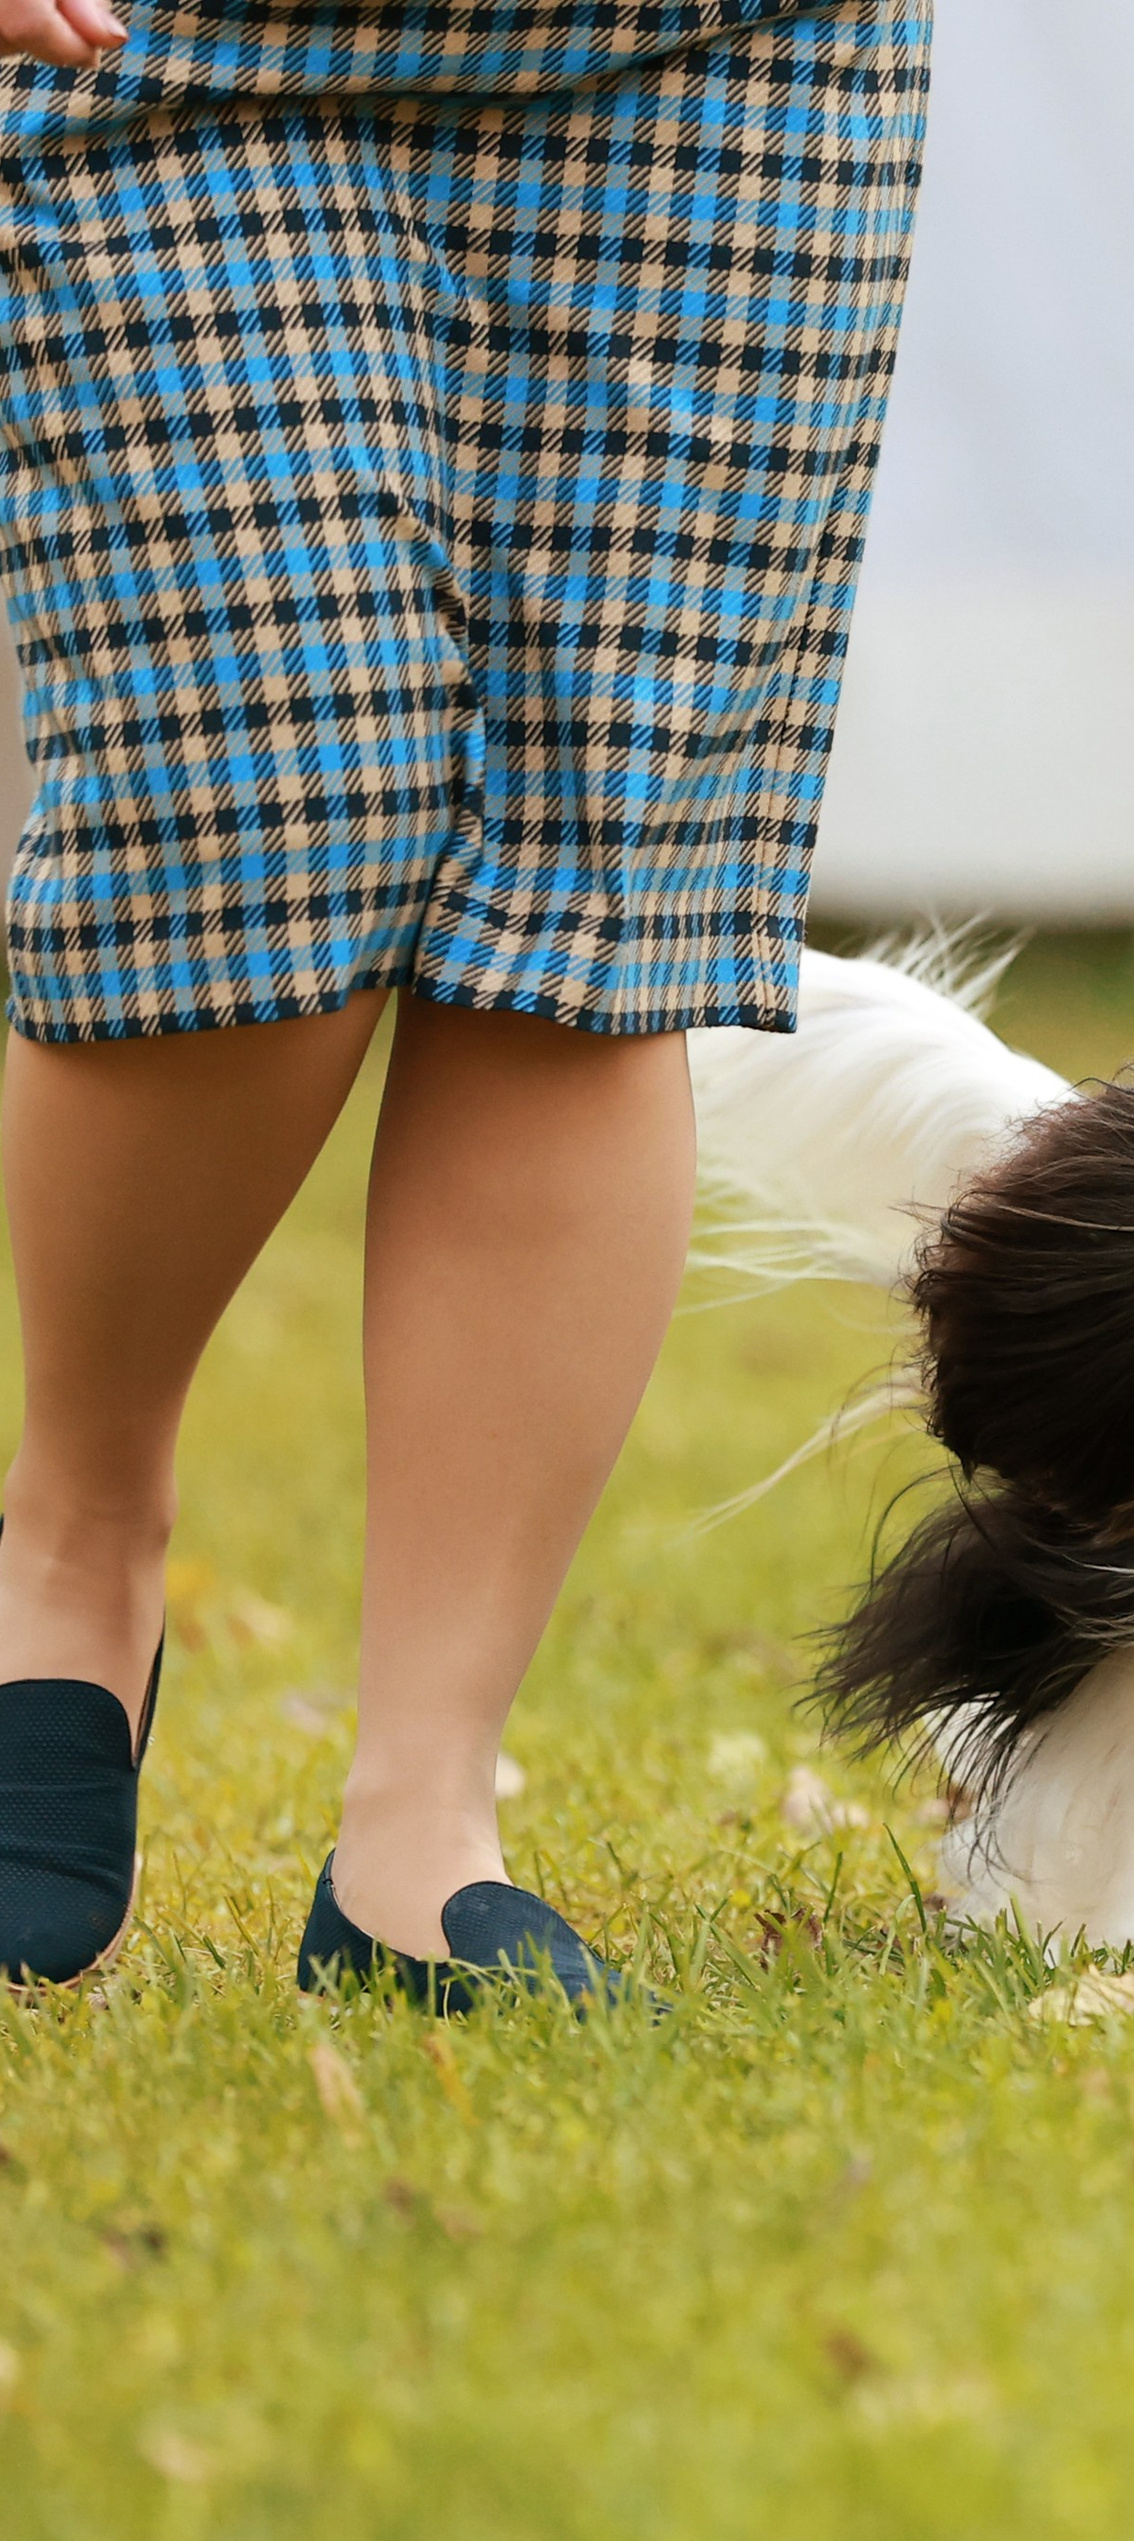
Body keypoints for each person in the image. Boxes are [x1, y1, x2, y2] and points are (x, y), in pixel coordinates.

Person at [0, 0, 925, 1994]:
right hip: (163, 41)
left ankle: (419, 1813)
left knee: (596, 898)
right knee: (249, 776)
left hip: (720, 60)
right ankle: (74, 1534)